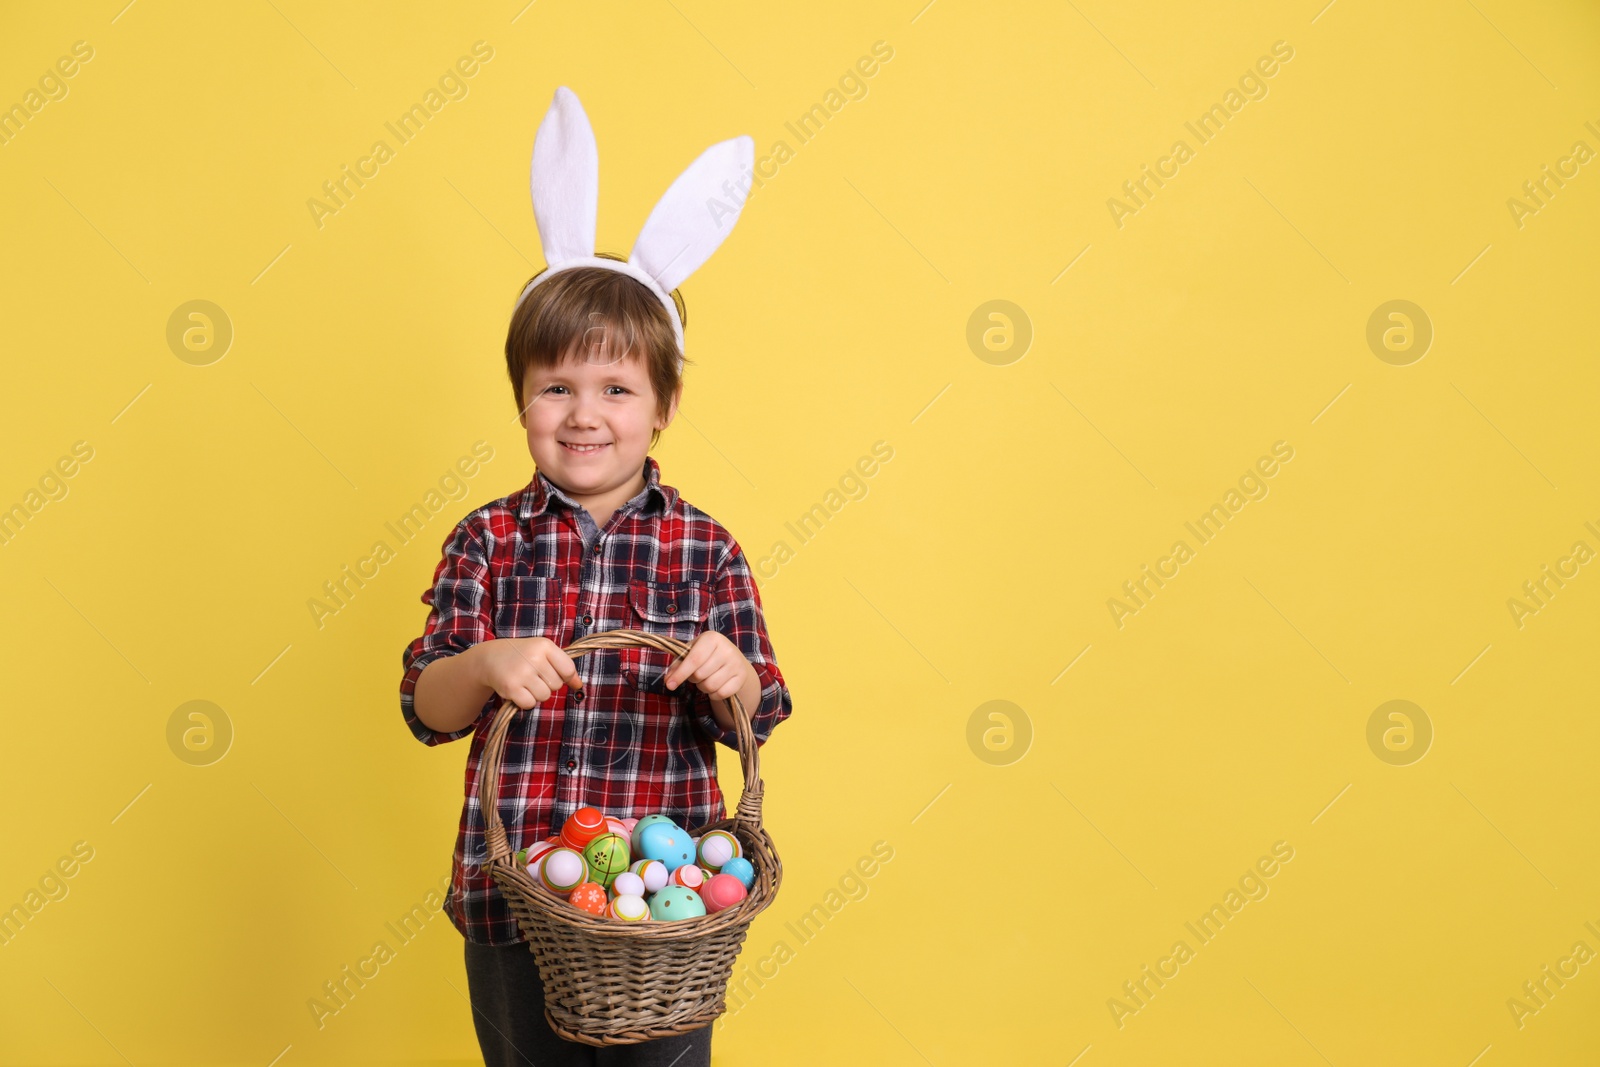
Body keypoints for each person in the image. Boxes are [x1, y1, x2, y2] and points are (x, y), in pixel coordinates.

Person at [398, 252, 793, 1066]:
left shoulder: (706, 547)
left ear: (664, 406)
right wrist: (480, 665)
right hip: (512, 900)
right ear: (522, 401)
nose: (584, 414)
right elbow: (425, 706)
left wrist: (733, 677)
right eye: (556, 388)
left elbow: (757, 711)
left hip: (661, 920)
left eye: (616, 389)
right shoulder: (487, 540)